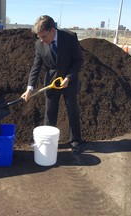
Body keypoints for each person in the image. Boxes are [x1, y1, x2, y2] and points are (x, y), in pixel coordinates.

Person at [21, 15, 84, 154]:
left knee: (72, 111)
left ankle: (75, 141)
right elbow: (36, 67)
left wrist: (68, 78)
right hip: (51, 83)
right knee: (49, 113)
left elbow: (78, 61)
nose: (42, 40)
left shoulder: (70, 37)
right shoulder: (39, 44)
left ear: (52, 30)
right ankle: (47, 142)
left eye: (43, 36)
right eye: (39, 37)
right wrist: (30, 88)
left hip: (69, 82)